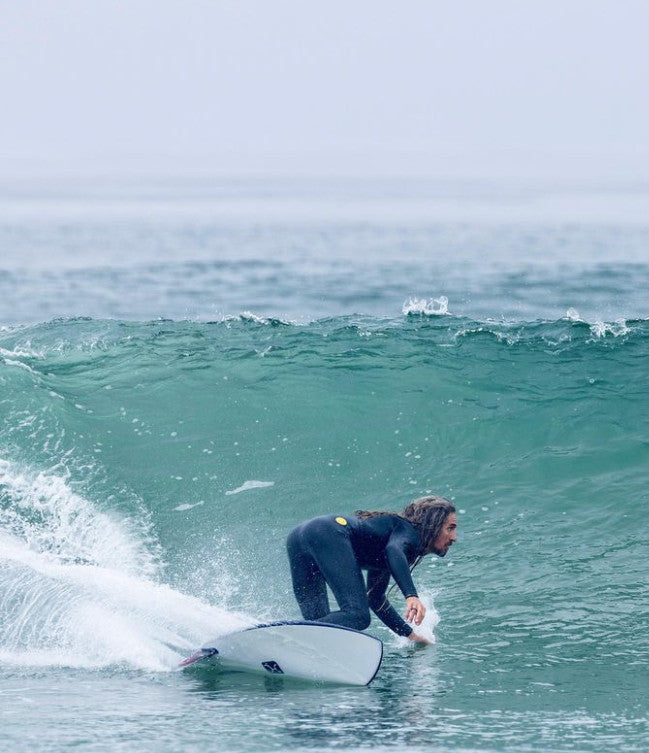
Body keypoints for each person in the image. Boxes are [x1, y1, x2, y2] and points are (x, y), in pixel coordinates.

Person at [286, 495, 457, 644]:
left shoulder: (387, 538)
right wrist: (411, 595)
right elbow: (394, 551)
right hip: (327, 533)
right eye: (450, 528)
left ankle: (278, 639)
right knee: (357, 615)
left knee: (320, 626)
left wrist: (410, 635)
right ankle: (286, 637)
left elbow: (375, 598)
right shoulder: (408, 533)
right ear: (432, 525)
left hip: (300, 537)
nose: (454, 537)